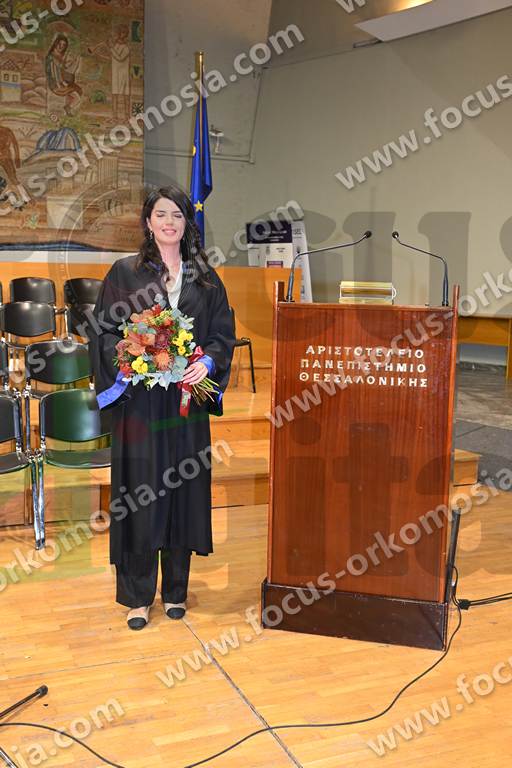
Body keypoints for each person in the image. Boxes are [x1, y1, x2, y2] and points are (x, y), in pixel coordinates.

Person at [88, 186, 236, 630]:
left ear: (187, 223)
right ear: (148, 222)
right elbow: (103, 331)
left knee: (182, 493)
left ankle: (175, 590)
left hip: (186, 404)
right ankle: (137, 597)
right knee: (139, 495)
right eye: (161, 214)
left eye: (177, 215)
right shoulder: (125, 273)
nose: (169, 222)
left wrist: (207, 362)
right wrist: (133, 357)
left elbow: (222, 333)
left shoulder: (205, 278)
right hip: (140, 404)